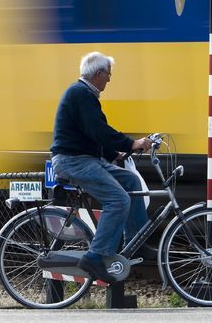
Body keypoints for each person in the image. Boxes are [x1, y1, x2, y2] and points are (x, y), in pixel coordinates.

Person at [50, 52, 155, 283]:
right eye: (108, 74)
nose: (109, 79)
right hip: (73, 160)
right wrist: (131, 143)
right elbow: (97, 130)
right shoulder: (81, 94)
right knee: (118, 200)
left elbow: (91, 135)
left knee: (131, 181)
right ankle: (96, 256)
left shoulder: (84, 95)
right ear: (98, 74)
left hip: (86, 158)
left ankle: (135, 242)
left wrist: (113, 154)